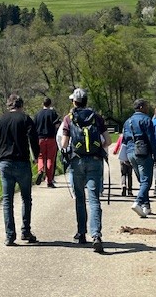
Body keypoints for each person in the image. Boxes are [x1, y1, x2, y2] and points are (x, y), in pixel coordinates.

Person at [60, 88, 111, 252]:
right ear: (86, 101)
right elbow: (108, 141)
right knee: (94, 199)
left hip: (77, 161)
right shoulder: (97, 117)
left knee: (80, 199)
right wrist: (98, 148)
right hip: (95, 161)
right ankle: (96, 235)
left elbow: (64, 144)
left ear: (74, 102)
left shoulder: (69, 118)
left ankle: (81, 233)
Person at [0, 93, 40, 246]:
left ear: (8, 105)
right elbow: (33, 138)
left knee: (7, 200)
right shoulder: (25, 119)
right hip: (22, 162)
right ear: (21, 105)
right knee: (26, 198)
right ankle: (25, 230)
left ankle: (10, 235)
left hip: (5, 163)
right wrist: (36, 156)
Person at [122, 99, 156, 218]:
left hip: (130, 152)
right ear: (141, 107)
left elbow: (124, 140)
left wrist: (124, 156)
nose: (148, 108)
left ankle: (146, 206)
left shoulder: (127, 121)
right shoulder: (146, 120)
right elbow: (151, 139)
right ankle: (138, 202)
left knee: (142, 180)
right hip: (143, 152)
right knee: (146, 181)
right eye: (146, 106)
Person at [33, 97, 60, 187]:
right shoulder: (53, 113)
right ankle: (49, 180)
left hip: (40, 138)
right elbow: (57, 125)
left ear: (42, 104)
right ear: (50, 104)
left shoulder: (38, 114)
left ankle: (40, 170)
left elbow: (33, 127)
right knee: (50, 159)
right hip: (51, 138)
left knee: (40, 157)